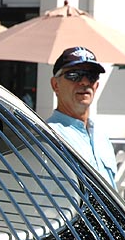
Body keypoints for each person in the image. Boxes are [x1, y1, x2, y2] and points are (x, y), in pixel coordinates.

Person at [47, 47, 117, 188]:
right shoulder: (48, 136)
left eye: (91, 76)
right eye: (74, 75)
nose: (85, 82)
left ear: (96, 85)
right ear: (55, 85)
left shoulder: (101, 137)